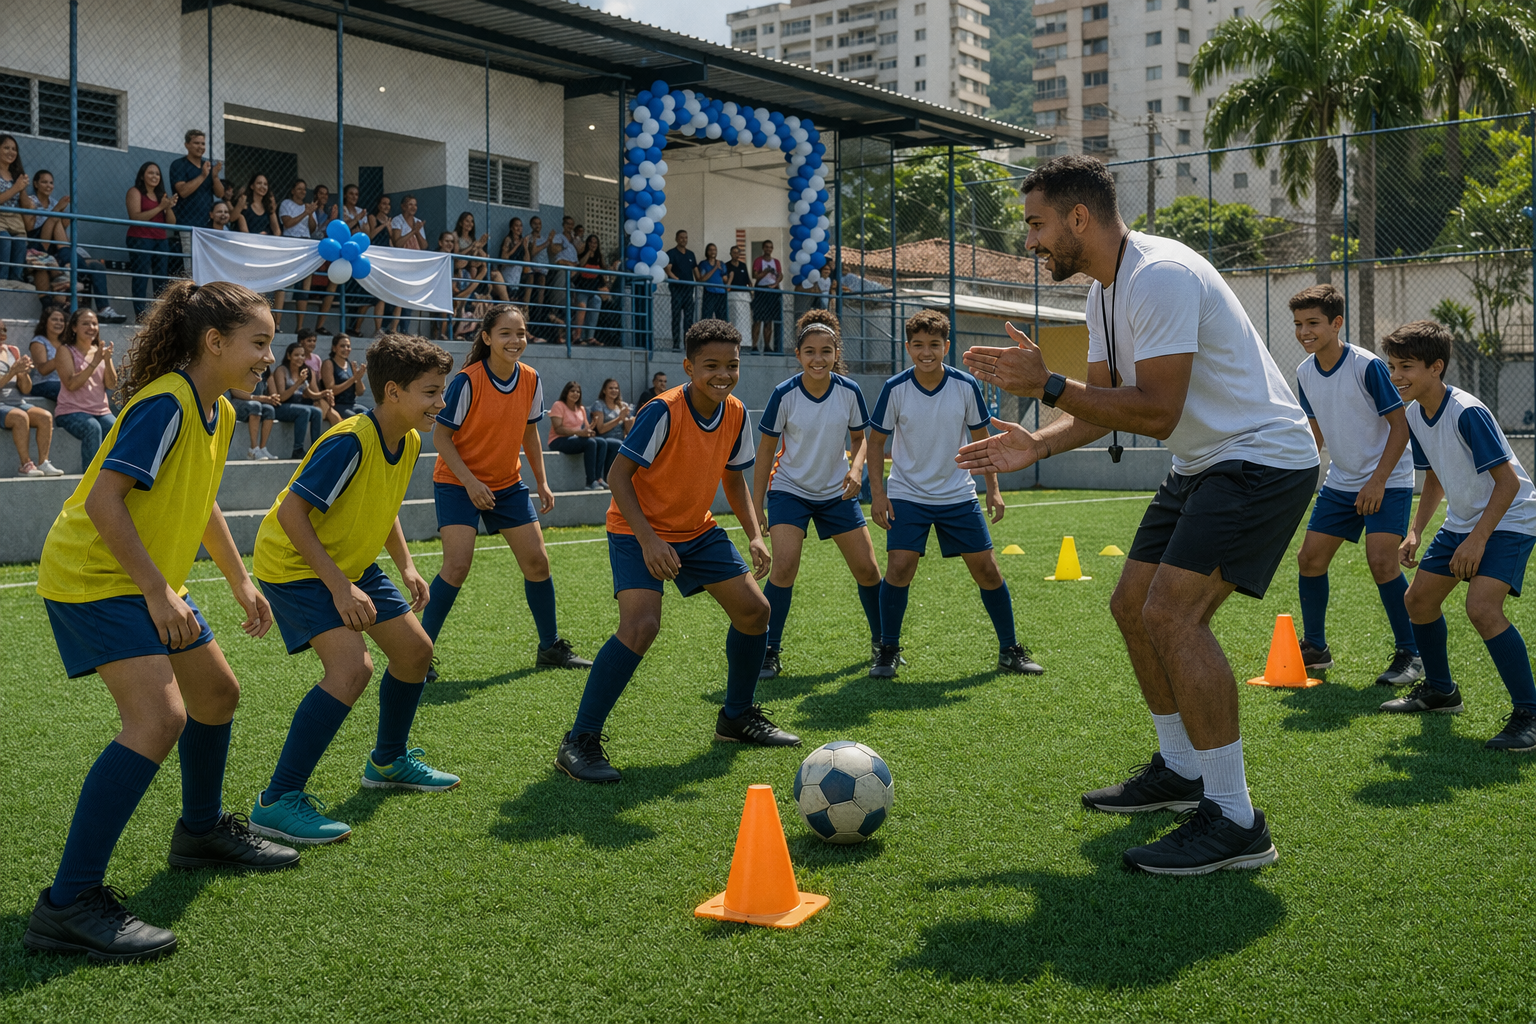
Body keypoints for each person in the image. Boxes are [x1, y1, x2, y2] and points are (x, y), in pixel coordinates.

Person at [958, 155, 1319, 875]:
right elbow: (1101, 404)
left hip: (1261, 458)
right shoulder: (1101, 294)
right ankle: (1182, 772)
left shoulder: (1160, 275)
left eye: (1037, 224)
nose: (1031, 242)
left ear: (1079, 218)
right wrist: (1039, 443)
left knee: (1173, 616)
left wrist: (1049, 385)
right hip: (1202, 462)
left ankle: (1236, 819)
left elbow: (1155, 410)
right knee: (1132, 605)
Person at [22, 280, 298, 964]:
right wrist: (156, 591)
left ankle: (199, 833)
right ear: (214, 342)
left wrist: (240, 581)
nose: (269, 355)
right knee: (158, 720)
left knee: (217, 694)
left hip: (141, 578)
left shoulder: (221, 411)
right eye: (258, 343)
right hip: (95, 575)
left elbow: (200, 501)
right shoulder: (165, 401)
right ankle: (68, 904)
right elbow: (108, 502)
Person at [555, 318, 794, 784]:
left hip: (696, 530)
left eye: (732, 364)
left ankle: (736, 717)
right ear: (688, 366)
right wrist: (648, 539)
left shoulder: (738, 412)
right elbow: (620, 477)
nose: (722, 374)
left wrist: (755, 533)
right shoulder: (662, 411)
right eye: (710, 365)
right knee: (641, 626)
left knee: (755, 611)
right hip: (636, 528)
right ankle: (578, 741)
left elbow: (733, 477)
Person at [246, 334, 456, 846]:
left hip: (348, 561)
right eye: (430, 392)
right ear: (393, 391)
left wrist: (406, 565)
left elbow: (382, 507)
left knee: (414, 652)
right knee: (351, 668)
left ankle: (387, 761)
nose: (441, 403)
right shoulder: (349, 440)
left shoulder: (405, 438)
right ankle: (278, 800)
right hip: (295, 565)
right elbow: (294, 515)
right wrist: (340, 588)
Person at [1381, 320, 1536, 751]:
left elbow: (1507, 485)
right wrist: (1415, 530)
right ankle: (1441, 691)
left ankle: (1530, 714)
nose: (1397, 376)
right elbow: (1434, 477)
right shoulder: (1415, 413)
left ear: (1437, 367)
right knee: (1418, 600)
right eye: (1393, 366)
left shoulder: (1467, 412)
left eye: (1406, 367)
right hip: (1464, 521)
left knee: (1483, 607)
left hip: (1510, 519)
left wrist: (1478, 539)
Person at [866, 309, 1041, 681]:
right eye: (918, 345)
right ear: (908, 347)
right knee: (899, 567)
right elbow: (876, 442)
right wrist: (878, 495)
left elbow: (984, 441)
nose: (925, 352)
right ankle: (888, 651)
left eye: (934, 344)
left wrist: (993, 490)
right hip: (908, 493)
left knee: (988, 570)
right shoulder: (894, 388)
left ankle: (1010, 650)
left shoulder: (965, 386)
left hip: (957, 494)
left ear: (946, 346)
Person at [423, 306, 592, 679]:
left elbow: (530, 432)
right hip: (457, 482)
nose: (515, 341)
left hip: (506, 484)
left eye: (521, 333)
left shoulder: (531, 378)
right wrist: (470, 482)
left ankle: (550, 647)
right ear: (487, 338)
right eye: (505, 334)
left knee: (538, 563)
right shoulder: (467, 381)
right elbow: (440, 437)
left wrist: (542, 481)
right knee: (456, 566)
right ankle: (418, 652)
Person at [1289, 284, 1423, 685]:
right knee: (1310, 559)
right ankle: (1315, 648)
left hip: (1389, 480)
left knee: (1382, 563)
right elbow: (1315, 435)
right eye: (1298, 324)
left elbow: (1401, 429)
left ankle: (1412, 654)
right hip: (1341, 481)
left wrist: (1378, 481)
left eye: (1313, 323)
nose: (1304, 332)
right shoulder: (1303, 372)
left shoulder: (1367, 365)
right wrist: (1294, 480)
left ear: (1336, 323)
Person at [751, 310, 882, 679]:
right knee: (785, 568)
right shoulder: (784, 394)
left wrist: (856, 470)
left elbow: (860, 440)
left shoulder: (849, 391)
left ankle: (883, 644)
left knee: (868, 570)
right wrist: (757, 503)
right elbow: (765, 452)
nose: (818, 358)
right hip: (789, 490)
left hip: (836, 492)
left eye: (826, 351)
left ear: (836, 352)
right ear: (798, 355)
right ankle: (769, 651)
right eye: (810, 351)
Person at [26, 170, 127, 323]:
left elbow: (64, 226)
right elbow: (30, 226)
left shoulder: (54, 201)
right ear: (36, 184)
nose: (49, 185)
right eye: (44, 182)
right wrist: (58, 210)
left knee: (97, 267)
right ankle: (69, 262)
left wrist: (64, 210)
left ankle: (104, 309)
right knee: (55, 219)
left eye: (51, 182)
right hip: (39, 243)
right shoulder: (31, 201)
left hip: (58, 248)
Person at [54, 309, 118, 469]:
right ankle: (89, 481)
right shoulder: (65, 350)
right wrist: (95, 362)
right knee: (92, 428)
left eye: (94, 323)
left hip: (101, 411)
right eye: (85, 323)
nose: (91, 327)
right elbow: (71, 384)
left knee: (117, 428)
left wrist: (108, 361)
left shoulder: (100, 351)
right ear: (74, 328)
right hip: (70, 412)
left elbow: (112, 385)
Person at [1, 320, 60, 476]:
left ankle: (43, 463)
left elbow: (26, 389)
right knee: (20, 417)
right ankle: (25, 465)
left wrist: (23, 373)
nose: (3, 334)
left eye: (4, 330)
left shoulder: (13, 351)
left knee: (45, 416)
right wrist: (12, 372)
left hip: (17, 402)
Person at [125, 162, 178, 319]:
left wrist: (168, 207)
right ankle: (141, 316)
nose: (154, 176)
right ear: (142, 175)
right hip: (140, 238)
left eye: (157, 174)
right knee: (141, 277)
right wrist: (161, 207)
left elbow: (171, 223)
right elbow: (135, 217)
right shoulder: (134, 192)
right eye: (150, 173)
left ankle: (159, 316)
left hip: (161, 240)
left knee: (161, 279)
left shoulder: (161, 195)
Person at [548, 381, 620, 489]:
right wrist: (578, 432)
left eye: (578, 392)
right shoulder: (558, 405)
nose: (575, 393)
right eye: (572, 391)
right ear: (566, 392)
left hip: (575, 439)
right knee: (590, 443)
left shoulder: (581, 408)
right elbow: (558, 429)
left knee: (602, 442)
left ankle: (599, 478)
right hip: (558, 440)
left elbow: (586, 428)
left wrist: (591, 428)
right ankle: (590, 482)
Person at [271, 341, 327, 459]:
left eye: (302, 355)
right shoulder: (282, 370)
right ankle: (298, 449)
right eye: (296, 355)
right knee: (305, 411)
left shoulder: (302, 372)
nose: (300, 358)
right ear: (289, 356)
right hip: (281, 407)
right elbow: (281, 397)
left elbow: (310, 394)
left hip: (297, 406)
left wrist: (323, 394)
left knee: (317, 411)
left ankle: (315, 448)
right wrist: (298, 383)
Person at [168, 129, 224, 230]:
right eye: (196, 143)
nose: (200, 147)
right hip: (185, 223)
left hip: (207, 225)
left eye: (203, 144)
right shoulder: (179, 164)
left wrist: (215, 176)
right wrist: (203, 176)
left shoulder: (207, 166)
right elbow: (183, 192)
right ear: (187, 145)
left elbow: (220, 194)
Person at [0, 134, 31, 289]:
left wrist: (22, 188)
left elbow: (26, 206)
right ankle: (2, 282)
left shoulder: (15, 175)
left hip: (16, 221)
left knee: (19, 243)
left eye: (14, 149)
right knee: (4, 240)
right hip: (0, 220)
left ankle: (16, 282)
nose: (11, 152)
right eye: (6, 147)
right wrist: (15, 188)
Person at [227, 368, 279, 460]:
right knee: (256, 406)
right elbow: (235, 392)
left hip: (257, 403)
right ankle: (253, 449)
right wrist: (260, 398)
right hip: (239, 403)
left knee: (269, 410)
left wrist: (273, 398)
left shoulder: (266, 372)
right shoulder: (242, 367)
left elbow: (274, 393)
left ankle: (262, 448)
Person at [664, 230, 698, 349]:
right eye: (681, 237)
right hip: (677, 290)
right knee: (676, 317)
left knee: (689, 319)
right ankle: (676, 344)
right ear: (676, 239)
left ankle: (687, 344)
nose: (684, 239)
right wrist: (675, 278)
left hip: (689, 290)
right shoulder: (672, 253)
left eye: (686, 237)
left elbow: (696, 272)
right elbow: (667, 269)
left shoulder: (691, 254)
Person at [321, 334, 369, 419]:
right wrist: (353, 379)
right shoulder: (328, 363)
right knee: (354, 419)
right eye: (342, 346)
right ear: (334, 348)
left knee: (370, 416)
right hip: (337, 404)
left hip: (352, 404)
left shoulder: (350, 364)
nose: (346, 349)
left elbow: (360, 392)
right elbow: (331, 390)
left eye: (348, 346)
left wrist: (358, 378)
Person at [571, 234, 608, 344]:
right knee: (582, 307)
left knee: (597, 302)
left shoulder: (599, 257)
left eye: (595, 243)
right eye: (591, 242)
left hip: (593, 290)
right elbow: (581, 265)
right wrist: (588, 253)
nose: (593, 245)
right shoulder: (582, 254)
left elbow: (603, 270)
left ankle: (590, 337)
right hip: (582, 289)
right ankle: (577, 336)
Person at [29, 306, 68, 402]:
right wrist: (61, 356)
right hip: (43, 384)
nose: (59, 323)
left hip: (64, 382)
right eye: (54, 319)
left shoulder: (66, 343)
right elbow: (43, 370)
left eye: (61, 320)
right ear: (45, 322)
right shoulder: (38, 342)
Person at [751, 240, 782, 352]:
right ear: (763, 248)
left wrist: (776, 283)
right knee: (758, 319)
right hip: (761, 290)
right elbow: (755, 276)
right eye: (767, 247)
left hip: (773, 292)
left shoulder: (776, 262)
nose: (768, 249)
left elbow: (780, 274)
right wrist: (765, 272)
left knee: (769, 321)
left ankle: (767, 346)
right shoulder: (758, 261)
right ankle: (754, 346)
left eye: (770, 247)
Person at [590, 377, 634, 442]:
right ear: (604, 391)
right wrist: (619, 418)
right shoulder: (599, 404)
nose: (614, 390)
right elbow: (601, 429)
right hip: (606, 440)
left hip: (621, 439)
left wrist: (628, 419)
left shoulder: (622, 405)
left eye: (616, 388)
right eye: (611, 388)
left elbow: (628, 431)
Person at [725, 244, 752, 343]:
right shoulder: (727, 266)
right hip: (732, 295)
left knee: (745, 322)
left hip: (744, 296)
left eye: (737, 252)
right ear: (730, 254)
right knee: (734, 320)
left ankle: (745, 342)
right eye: (734, 252)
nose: (736, 254)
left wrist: (751, 292)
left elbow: (748, 281)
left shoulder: (743, 265)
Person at [697, 243, 728, 323]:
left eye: (714, 250)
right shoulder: (703, 264)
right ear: (707, 251)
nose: (713, 252)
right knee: (707, 317)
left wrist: (730, 277)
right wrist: (715, 268)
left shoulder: (722, 264)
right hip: (709, 292)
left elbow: (725, 279)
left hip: (721, 293)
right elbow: (702, 279)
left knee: (722, 318)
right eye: (710, 250)